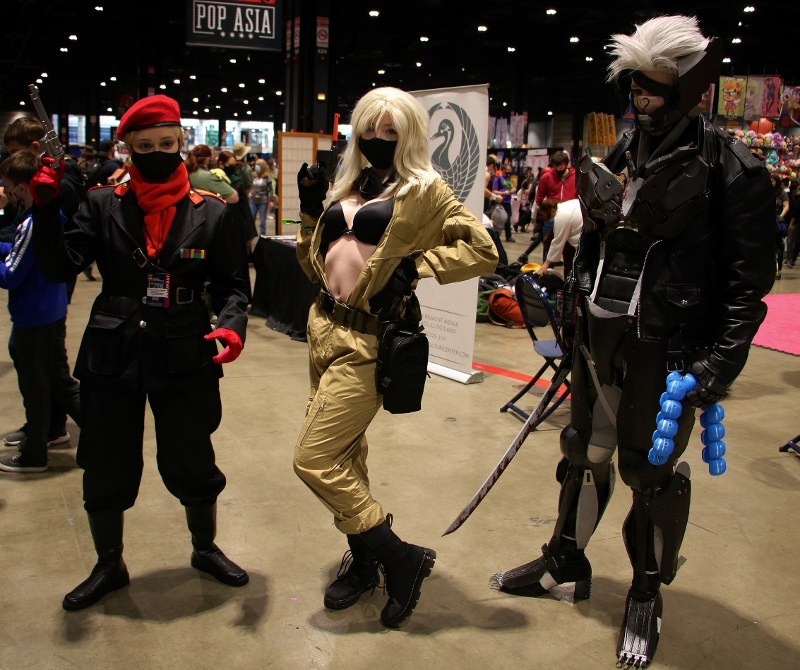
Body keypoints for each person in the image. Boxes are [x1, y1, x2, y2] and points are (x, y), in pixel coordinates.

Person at [489, 16, 774, 668]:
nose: (639, 101)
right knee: (581, 451)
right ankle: (566, 557)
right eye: (634, 88)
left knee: (648, 472)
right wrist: (572, 321)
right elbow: (594, 247)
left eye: (653, 89)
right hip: (600, 339)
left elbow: (745, 290)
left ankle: (645, 592)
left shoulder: (734, 170)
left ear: (691, 89)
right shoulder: (622, 153)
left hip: (669, 351)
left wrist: (716, 367)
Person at [28, 94, 251, 611]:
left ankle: (204, 548)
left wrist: (232, 326)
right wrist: (43, 212)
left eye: (166, 144)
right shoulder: (101, 203)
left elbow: (233, 287)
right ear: (128, 147)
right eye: (145, 145)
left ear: (181, 143)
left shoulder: (212, 211)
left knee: (192, 454)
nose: (156, 152)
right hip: (115, 349)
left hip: (187, 351)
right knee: (106, 459)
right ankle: (109, 564)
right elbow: (61, 266)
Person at [294, 86, 498, 628]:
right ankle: (364, 561)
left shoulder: (424, 188)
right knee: (344, 455)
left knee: (312, 459)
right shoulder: (352, 182)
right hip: (324, 327)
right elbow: (317, 263)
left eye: (391, 131)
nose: (379, 140)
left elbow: (482, 248)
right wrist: (309, 212)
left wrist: (415, 266)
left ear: (408, 135)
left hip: (367, 343)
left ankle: (400, 557)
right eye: (370, 129)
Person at [2, 116, 83, 438]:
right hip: (42, 298)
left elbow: (18, 265)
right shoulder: (39, 197)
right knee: (42, 368)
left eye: (15, 151)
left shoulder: (58, 186)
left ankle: (79, 430)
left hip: (45, 296)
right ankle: (51, 427)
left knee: (49, 374)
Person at [530, 198, 582, 278]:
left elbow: (557, 242)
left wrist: (545, 264)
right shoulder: (566, 205)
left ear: (552, 210)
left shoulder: (560, 216)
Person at [492, 160, 515, 242]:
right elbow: (494, 191)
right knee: (499, 220)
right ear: (504, 170)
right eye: (508, 170)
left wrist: (512, 190)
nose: (509, 172)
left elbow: (510, 188)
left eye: (510, 170)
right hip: (501, 202)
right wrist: (503, 193)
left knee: (508, 220)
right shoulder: (497, 179)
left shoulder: (508, 179)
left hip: (508, 202)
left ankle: (508, 236)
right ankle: (496, 235)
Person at [250, 158, 272, 236]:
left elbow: (271, 189)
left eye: (258, 165)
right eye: (256, 165)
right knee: (251, 219)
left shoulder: (267, 177)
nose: (257, 166)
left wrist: (271, 200)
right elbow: (250, 186)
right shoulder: (253, 175)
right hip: (253, 200)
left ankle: (262, 236)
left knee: (262, 221)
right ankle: (251, 235)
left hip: (263, 201)